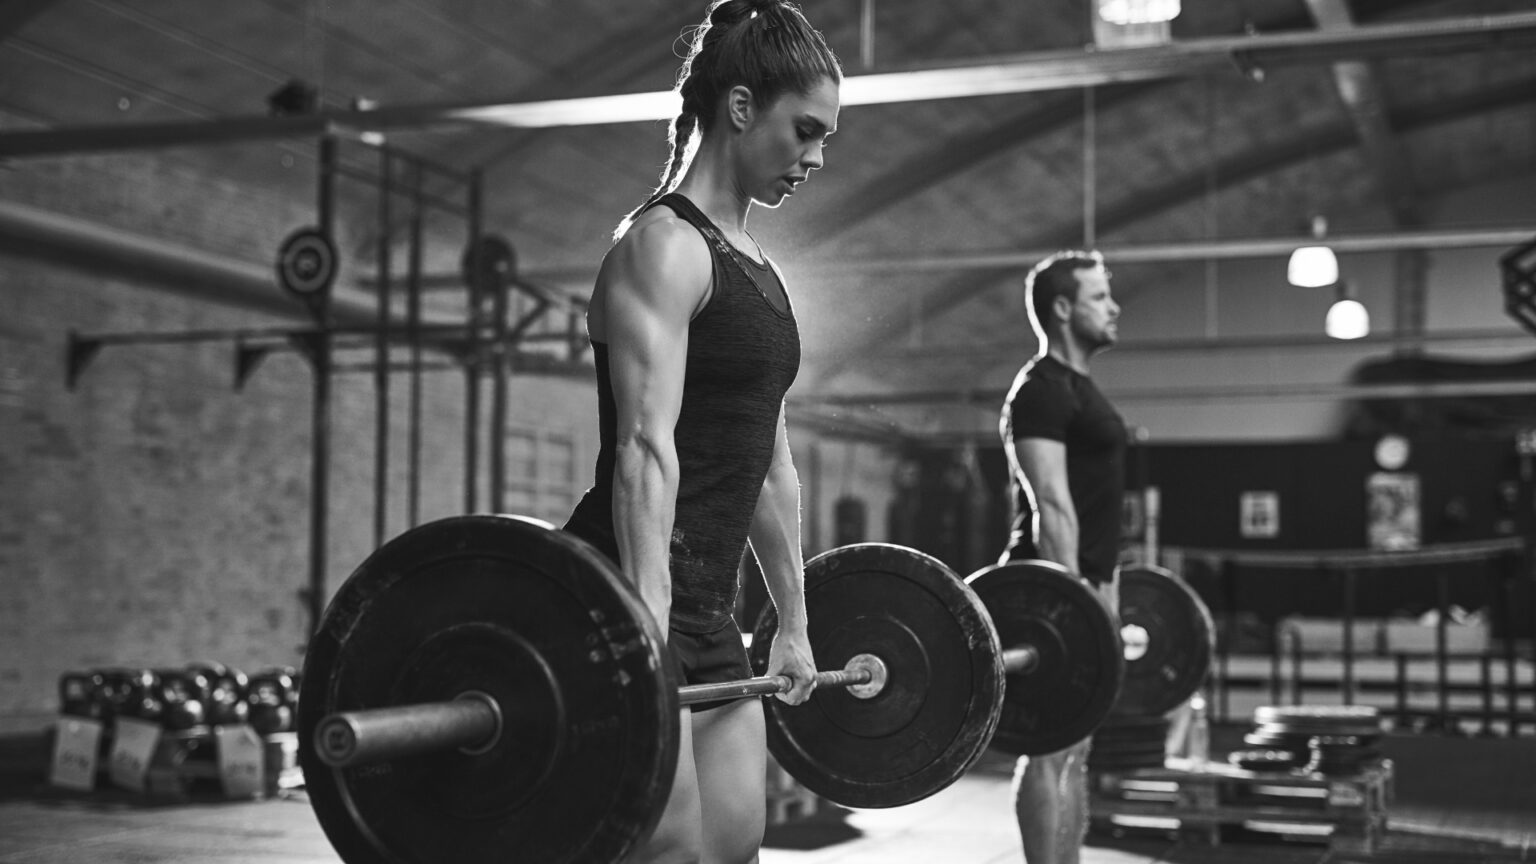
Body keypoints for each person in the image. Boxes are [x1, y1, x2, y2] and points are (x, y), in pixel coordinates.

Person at [561, 2, 841, 862]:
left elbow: (768, 462)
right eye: (805, 129)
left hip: (711, 610)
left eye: (826, 136)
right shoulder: (664, 247)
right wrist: (645, 627)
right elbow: (646, 450)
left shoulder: (759, 270)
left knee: (735, 845)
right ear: (743, 106)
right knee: (669, 848)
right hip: (625, 591)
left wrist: (790, 622)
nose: (816, 157)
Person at [998, 250, 1125, 864]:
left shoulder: (1080, 389)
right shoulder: (1041, 390)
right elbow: (1052, 501)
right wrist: (1074, 605)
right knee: (1049, 748)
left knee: (1077, 746)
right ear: (1063, 308)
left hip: (1093, 582)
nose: (1114, 306)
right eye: (1101, 296)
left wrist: (1106, 587)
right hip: (1051, 589)